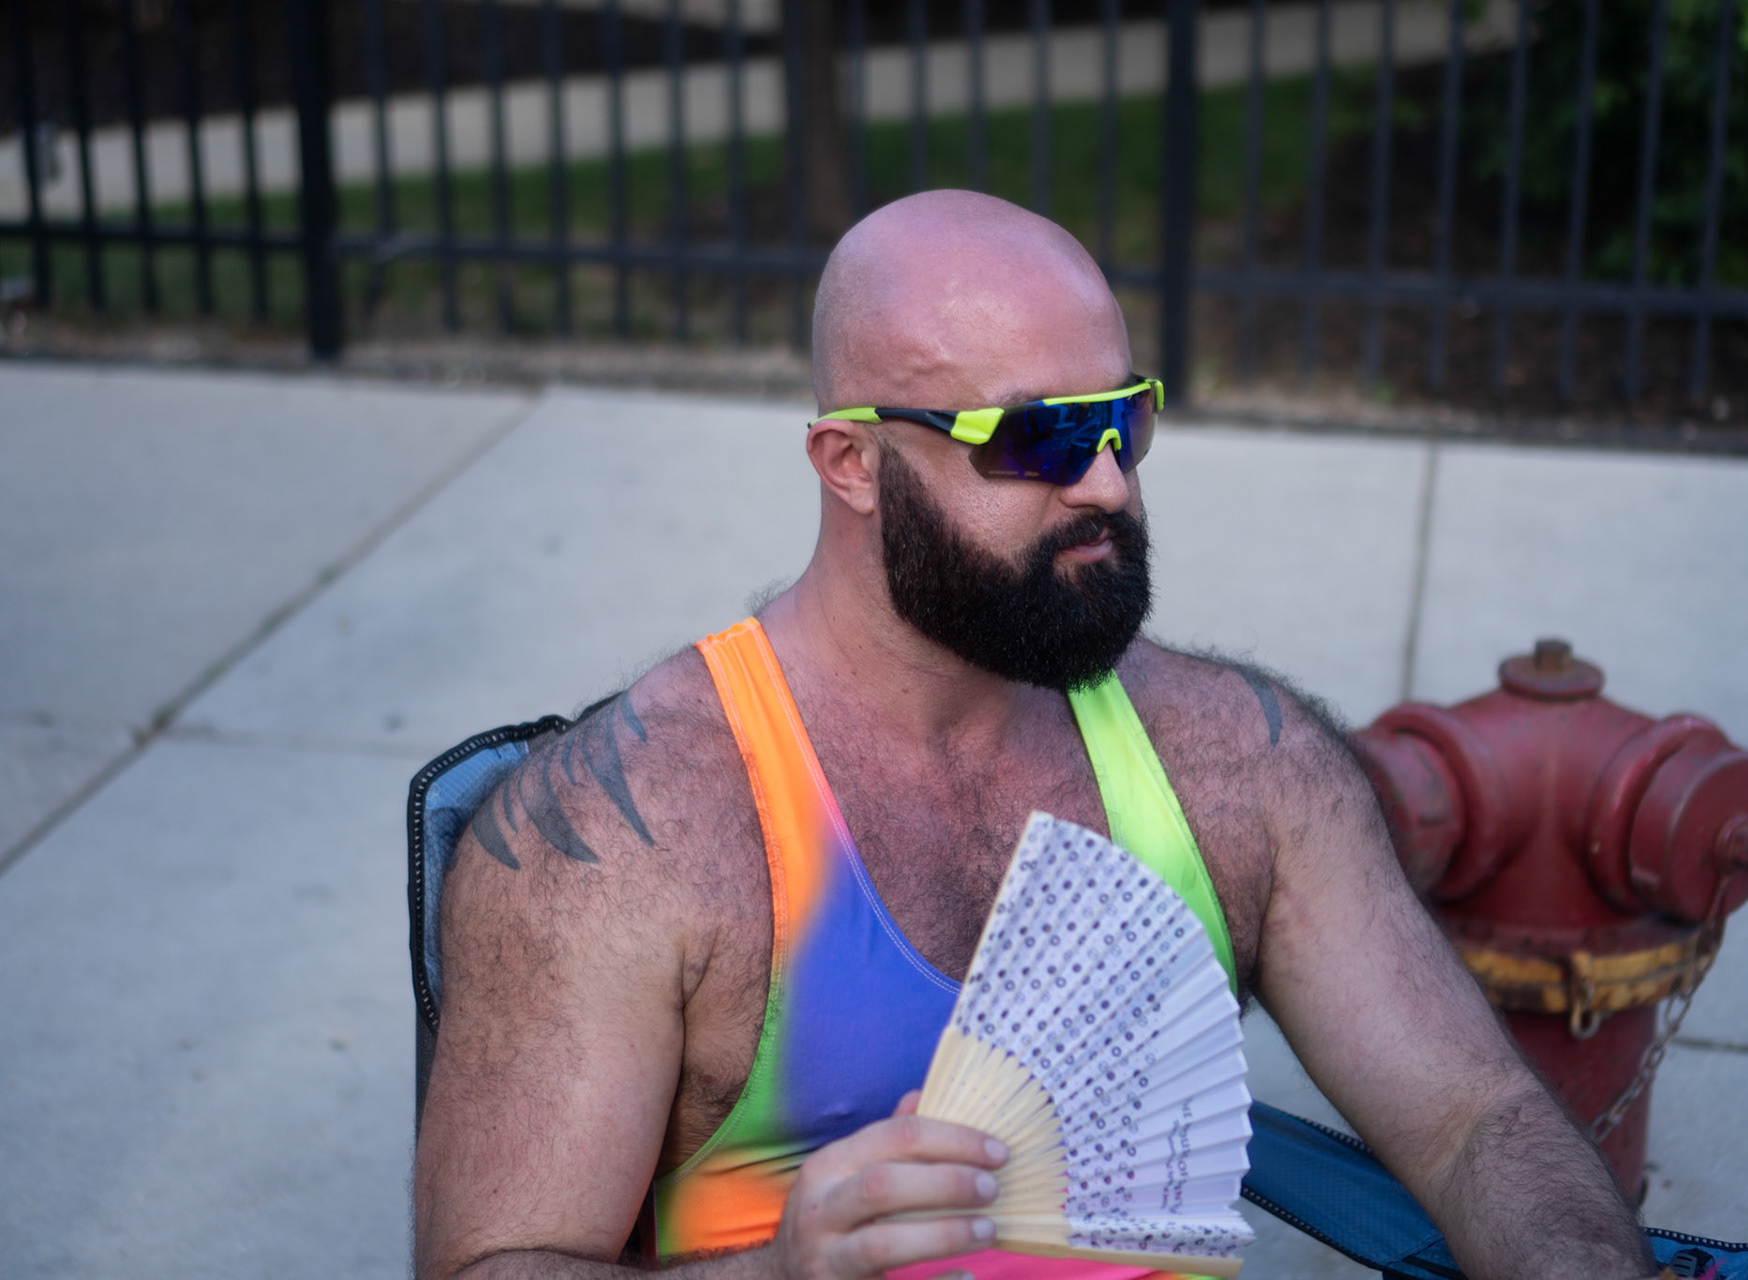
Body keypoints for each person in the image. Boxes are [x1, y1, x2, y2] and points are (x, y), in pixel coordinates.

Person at [412, 190, 1659, 1280]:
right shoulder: (629, 835)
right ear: (851, 461)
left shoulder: (1238, 764)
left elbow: (1474, 1117)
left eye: (1123, 419)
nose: (1107, 482)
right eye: (1037, 437)